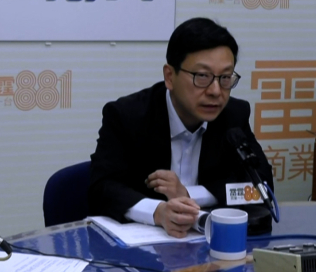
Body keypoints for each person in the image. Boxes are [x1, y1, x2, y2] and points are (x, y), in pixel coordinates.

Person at [89, 17, 273, 238]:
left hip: (208, 242)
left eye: (225, 77)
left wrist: (190, 194)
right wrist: (157, 212)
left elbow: (262, 185)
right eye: (202, 76)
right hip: (143, 245)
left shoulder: (233, 115)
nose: (216, 91)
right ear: (170, 76)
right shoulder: (128, 116)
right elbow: (101, 188)